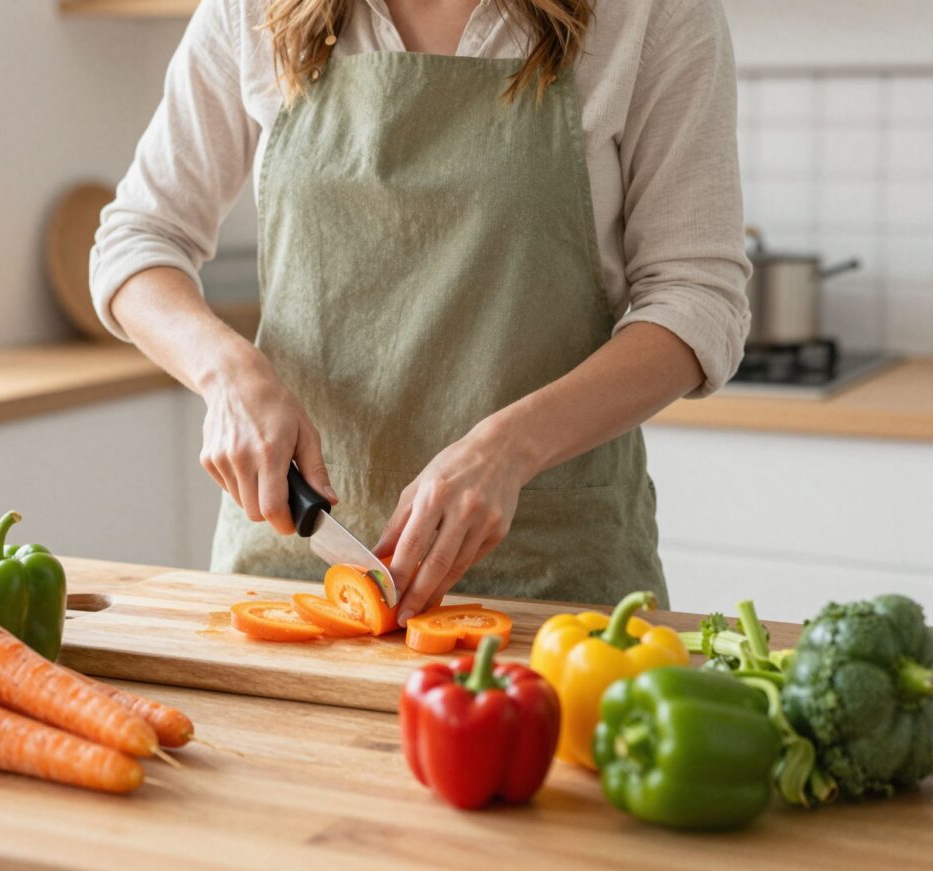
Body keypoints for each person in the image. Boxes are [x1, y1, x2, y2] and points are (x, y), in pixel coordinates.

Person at [91, 0, 750, 624]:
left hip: (551, 593)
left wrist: (512, 449)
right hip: (293, 574)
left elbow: (696, 298)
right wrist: (227, 374)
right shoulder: (255, 10)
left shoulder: (650, 14)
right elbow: (138, 240)